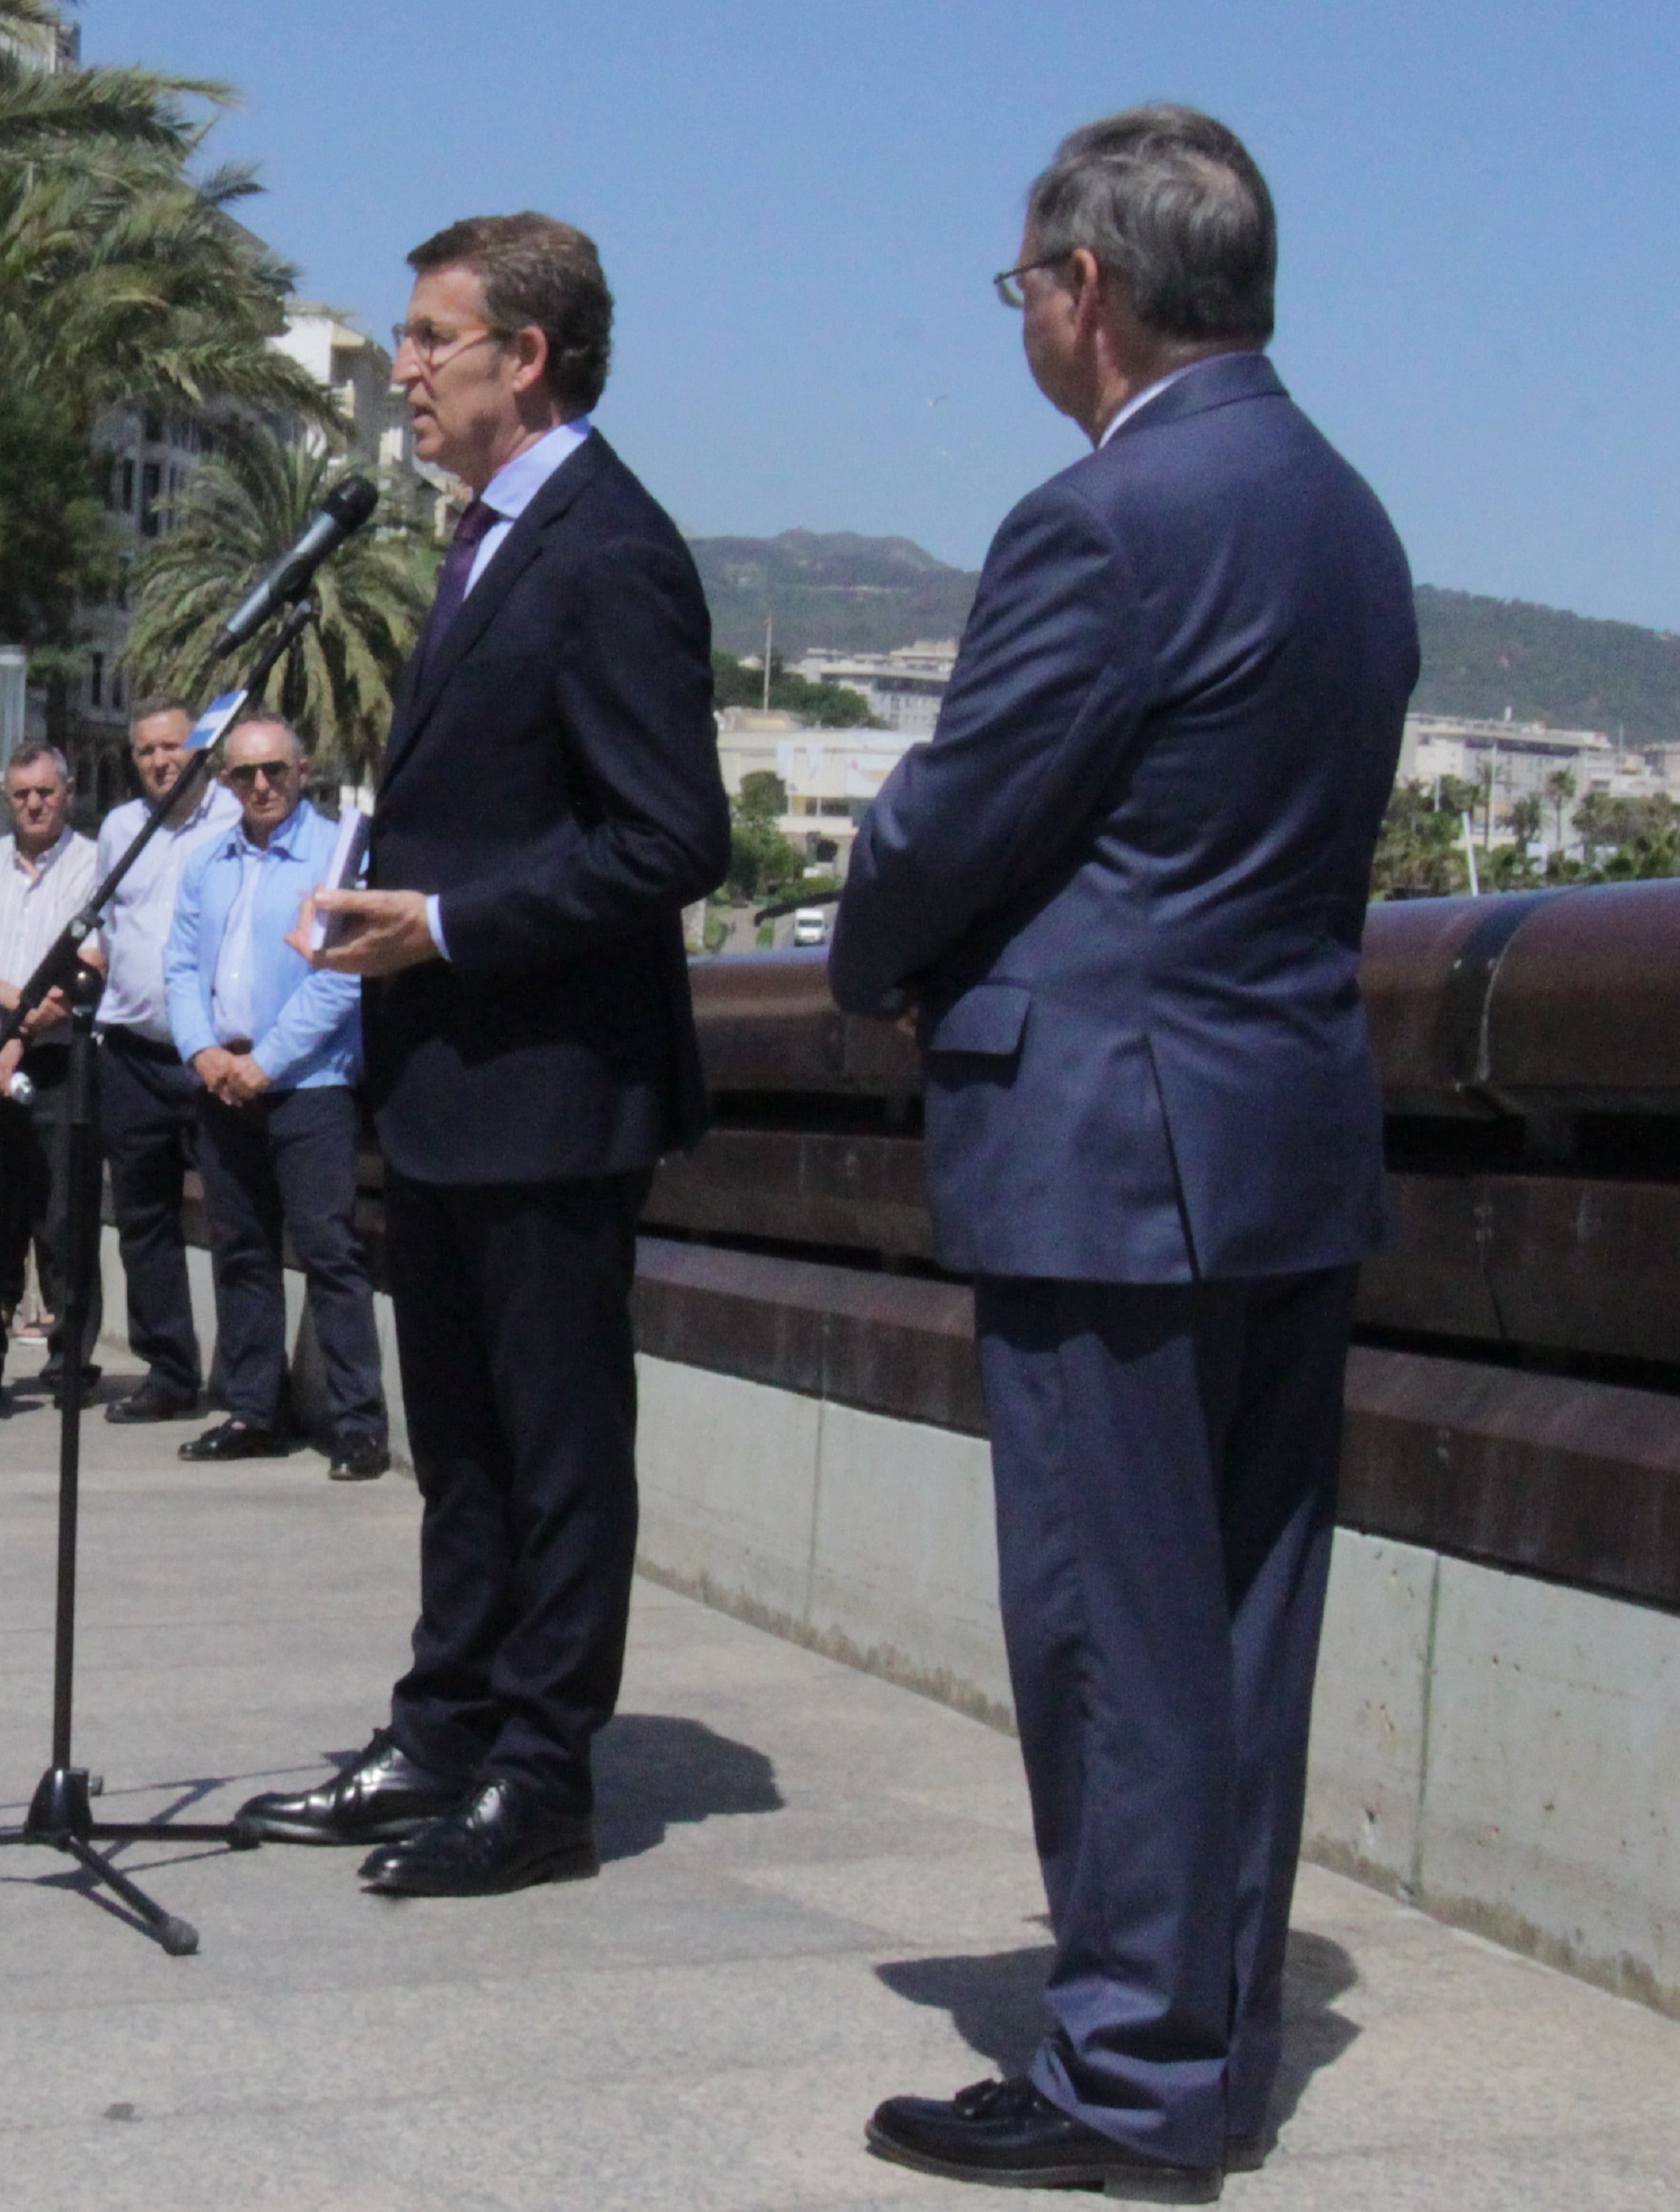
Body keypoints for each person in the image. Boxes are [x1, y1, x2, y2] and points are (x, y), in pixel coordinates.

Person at [838, 111, 1415, 2202]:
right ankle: (1213, 2041)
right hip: (1283, 1139)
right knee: (1244, 1630)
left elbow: (952, 816)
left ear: (1087, 289)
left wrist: (872, 953)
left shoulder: (1102, 520)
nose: (1025, 324)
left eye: (1023, 289)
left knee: (1107, 1625)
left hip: (1104, 1144)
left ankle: (1128, 2071)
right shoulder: (1346, 515)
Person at [247, 213, 729, 1898]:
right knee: (458, 1438)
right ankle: (442, 1723)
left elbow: (670, 836)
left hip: (550, 1082)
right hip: (445, 1083)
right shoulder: (478, 541)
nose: (403, 364)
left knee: (553, 1437)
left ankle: (543, 1769)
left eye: (429, 336)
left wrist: (441, 924)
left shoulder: (608, 547)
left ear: (523, 358)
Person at [160, 717, 386, 1478]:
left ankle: (358, 1424)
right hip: (222, 1081)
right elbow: (180, 967)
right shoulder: (205, 862)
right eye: (243, 774)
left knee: (327, 1252)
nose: (260, 786)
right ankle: (256, 1407)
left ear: (304, 771)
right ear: (224, 781)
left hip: (310, 1085)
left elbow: (346, 971)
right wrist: (203, 1051)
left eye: (275, 772)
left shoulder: (339, 854)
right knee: (241, 1250)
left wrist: (270, 1063)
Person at [88, 701, 240, 1426]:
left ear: (199, 749)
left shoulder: (233, 819)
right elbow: (109, 931)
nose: (160, 761)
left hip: (213, 1055)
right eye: (146, 750)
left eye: (172, 747)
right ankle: (169, 1371)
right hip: (133, 1054)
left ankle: (247, 1384)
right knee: (144, 1220)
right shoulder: (120, 828)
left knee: (237, 1215)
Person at [0, 743, 105, 1404]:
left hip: (64, 1058)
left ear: (67, 792)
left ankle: (71, 1363)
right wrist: (14, 1018)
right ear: (5, 799)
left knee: (64, 1216)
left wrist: (25, 1028)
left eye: (46, 791)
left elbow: (92, 961)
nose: (35, 803)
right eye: (21, 794)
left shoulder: (97, 863)